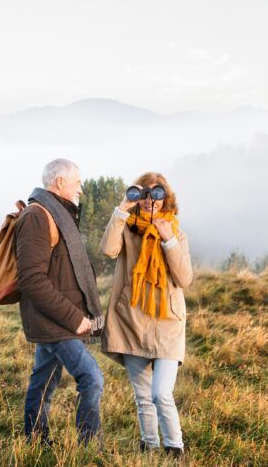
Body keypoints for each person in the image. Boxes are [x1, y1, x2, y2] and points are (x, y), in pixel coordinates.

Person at [100, 172, 194, 456]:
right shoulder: (127, 229)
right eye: (145, 193)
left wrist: (169, 242)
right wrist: (121, 211)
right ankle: (149, 446)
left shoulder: (175, 231)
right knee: (143, 396)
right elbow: (108, 249)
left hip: (167, 322)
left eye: (158, 193)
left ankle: (175, 447)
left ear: (166, 198)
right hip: (132, 319)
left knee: (160, 393)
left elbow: (184, 278)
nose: (151, 200)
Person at [15, 158, 106, 446]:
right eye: (77, 181)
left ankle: (36, 442)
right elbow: (32, 280)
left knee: (43, 382)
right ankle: (90, 446)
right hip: (56, 321)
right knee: (91, 378)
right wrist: (74, 318)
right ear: (60, 183)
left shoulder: (59, 214)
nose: (82, 187)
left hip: (57, 319)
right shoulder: (37, 217)